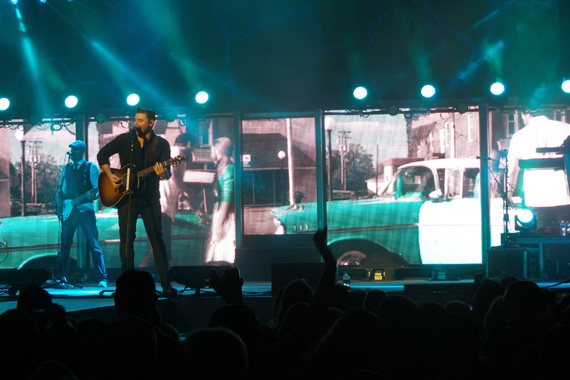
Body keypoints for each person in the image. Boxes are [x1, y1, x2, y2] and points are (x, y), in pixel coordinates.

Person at [97, 107, 176, 296]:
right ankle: (126, 285)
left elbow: (166, 174)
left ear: (151, 123)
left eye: (140, 120)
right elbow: (102, 155)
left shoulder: (161, 144)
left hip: (150, 198)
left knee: (157, 239)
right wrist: (110, 175)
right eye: (135, 119)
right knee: (126, 241)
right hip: (126, 198)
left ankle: (165, 283)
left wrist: (162, 172)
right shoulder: (126, 140)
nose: (136, 123)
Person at [55, 140, 107, 287]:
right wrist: (59, 200)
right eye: (71, 149)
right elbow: (62, 189)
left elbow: (98, 188)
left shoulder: (90, 167)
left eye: (75, 150)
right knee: (64, 246)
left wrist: (93, 195)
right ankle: (61, 277)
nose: (72, 152)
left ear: (82, 151)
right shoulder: (66, 168)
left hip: (85, 210)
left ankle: (102, 277)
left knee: (93, 244)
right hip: (68, 211)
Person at [507, 109, 570, 228]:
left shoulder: (519, 136)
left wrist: (508, 195)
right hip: (564, 196)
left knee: (539, 235)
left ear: (527, 114)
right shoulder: (567, 129)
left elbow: (512, 170)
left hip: (535, 197)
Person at [204, 136, 235, 264]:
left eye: (213, 151)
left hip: (227, 218)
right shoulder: (223, 169)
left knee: (223, 253)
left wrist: (218, 224)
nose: (211, 154)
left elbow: (226, 198)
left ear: (219, 151)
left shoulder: (228, 170)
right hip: (223, 216)